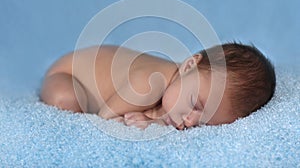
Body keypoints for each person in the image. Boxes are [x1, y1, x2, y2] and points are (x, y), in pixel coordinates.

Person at [40, 42, 276, 130]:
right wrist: (144, 121)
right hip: (67, 74)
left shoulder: (177, 89)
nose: (190, 121)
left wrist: (156, 117)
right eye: (195, 104)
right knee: (66, 100)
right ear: (188, 66)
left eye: (203, 123)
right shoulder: (150, 82)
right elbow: (106, 117)